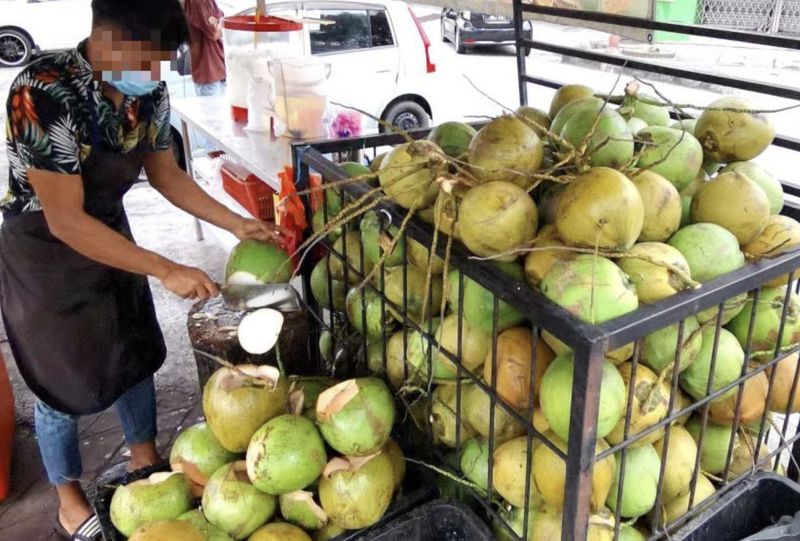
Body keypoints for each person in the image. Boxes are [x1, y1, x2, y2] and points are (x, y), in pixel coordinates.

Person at [1, 0, 280, 538]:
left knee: (133, 350)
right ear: (108, 39)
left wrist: (236, 222)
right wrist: (163, 267)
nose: (153, 75)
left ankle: (145, 461)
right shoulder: (41, 90)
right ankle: (67, 497)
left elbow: (166, 175)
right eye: (147, 60)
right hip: (45, 250)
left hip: (109, 231)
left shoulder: (145, 92)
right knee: (59, 382)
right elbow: (64, 220)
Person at [184, 0, 226, 97]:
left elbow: (220, 20)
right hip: (208, 73)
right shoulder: (197, 2)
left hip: (217, 70)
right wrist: (221, 21)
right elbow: (214, 32)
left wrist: (220, 21)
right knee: (213, 111)